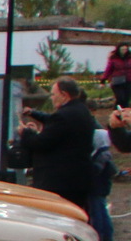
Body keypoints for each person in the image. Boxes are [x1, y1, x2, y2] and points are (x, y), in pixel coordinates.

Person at [15, 75, 101, 208]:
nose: (52, 97)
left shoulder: (63, 116)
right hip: (78, 178)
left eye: (54, 94)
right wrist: (34, 113)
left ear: (64, 95)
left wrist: (25, 133)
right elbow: (55, 123)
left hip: (60, 182)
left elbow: (41, 143)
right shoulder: (81, 110)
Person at [107, 42, 131, 109]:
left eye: (125, 49)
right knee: (120, 98)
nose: (124, 51)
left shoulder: (129, 58)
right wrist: (103, 79)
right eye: (122, 49)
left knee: (126, 99)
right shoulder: (113, 58)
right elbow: (109, 69)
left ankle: (125, 114)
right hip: (117, 81)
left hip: (128, 80)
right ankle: (116, 111)